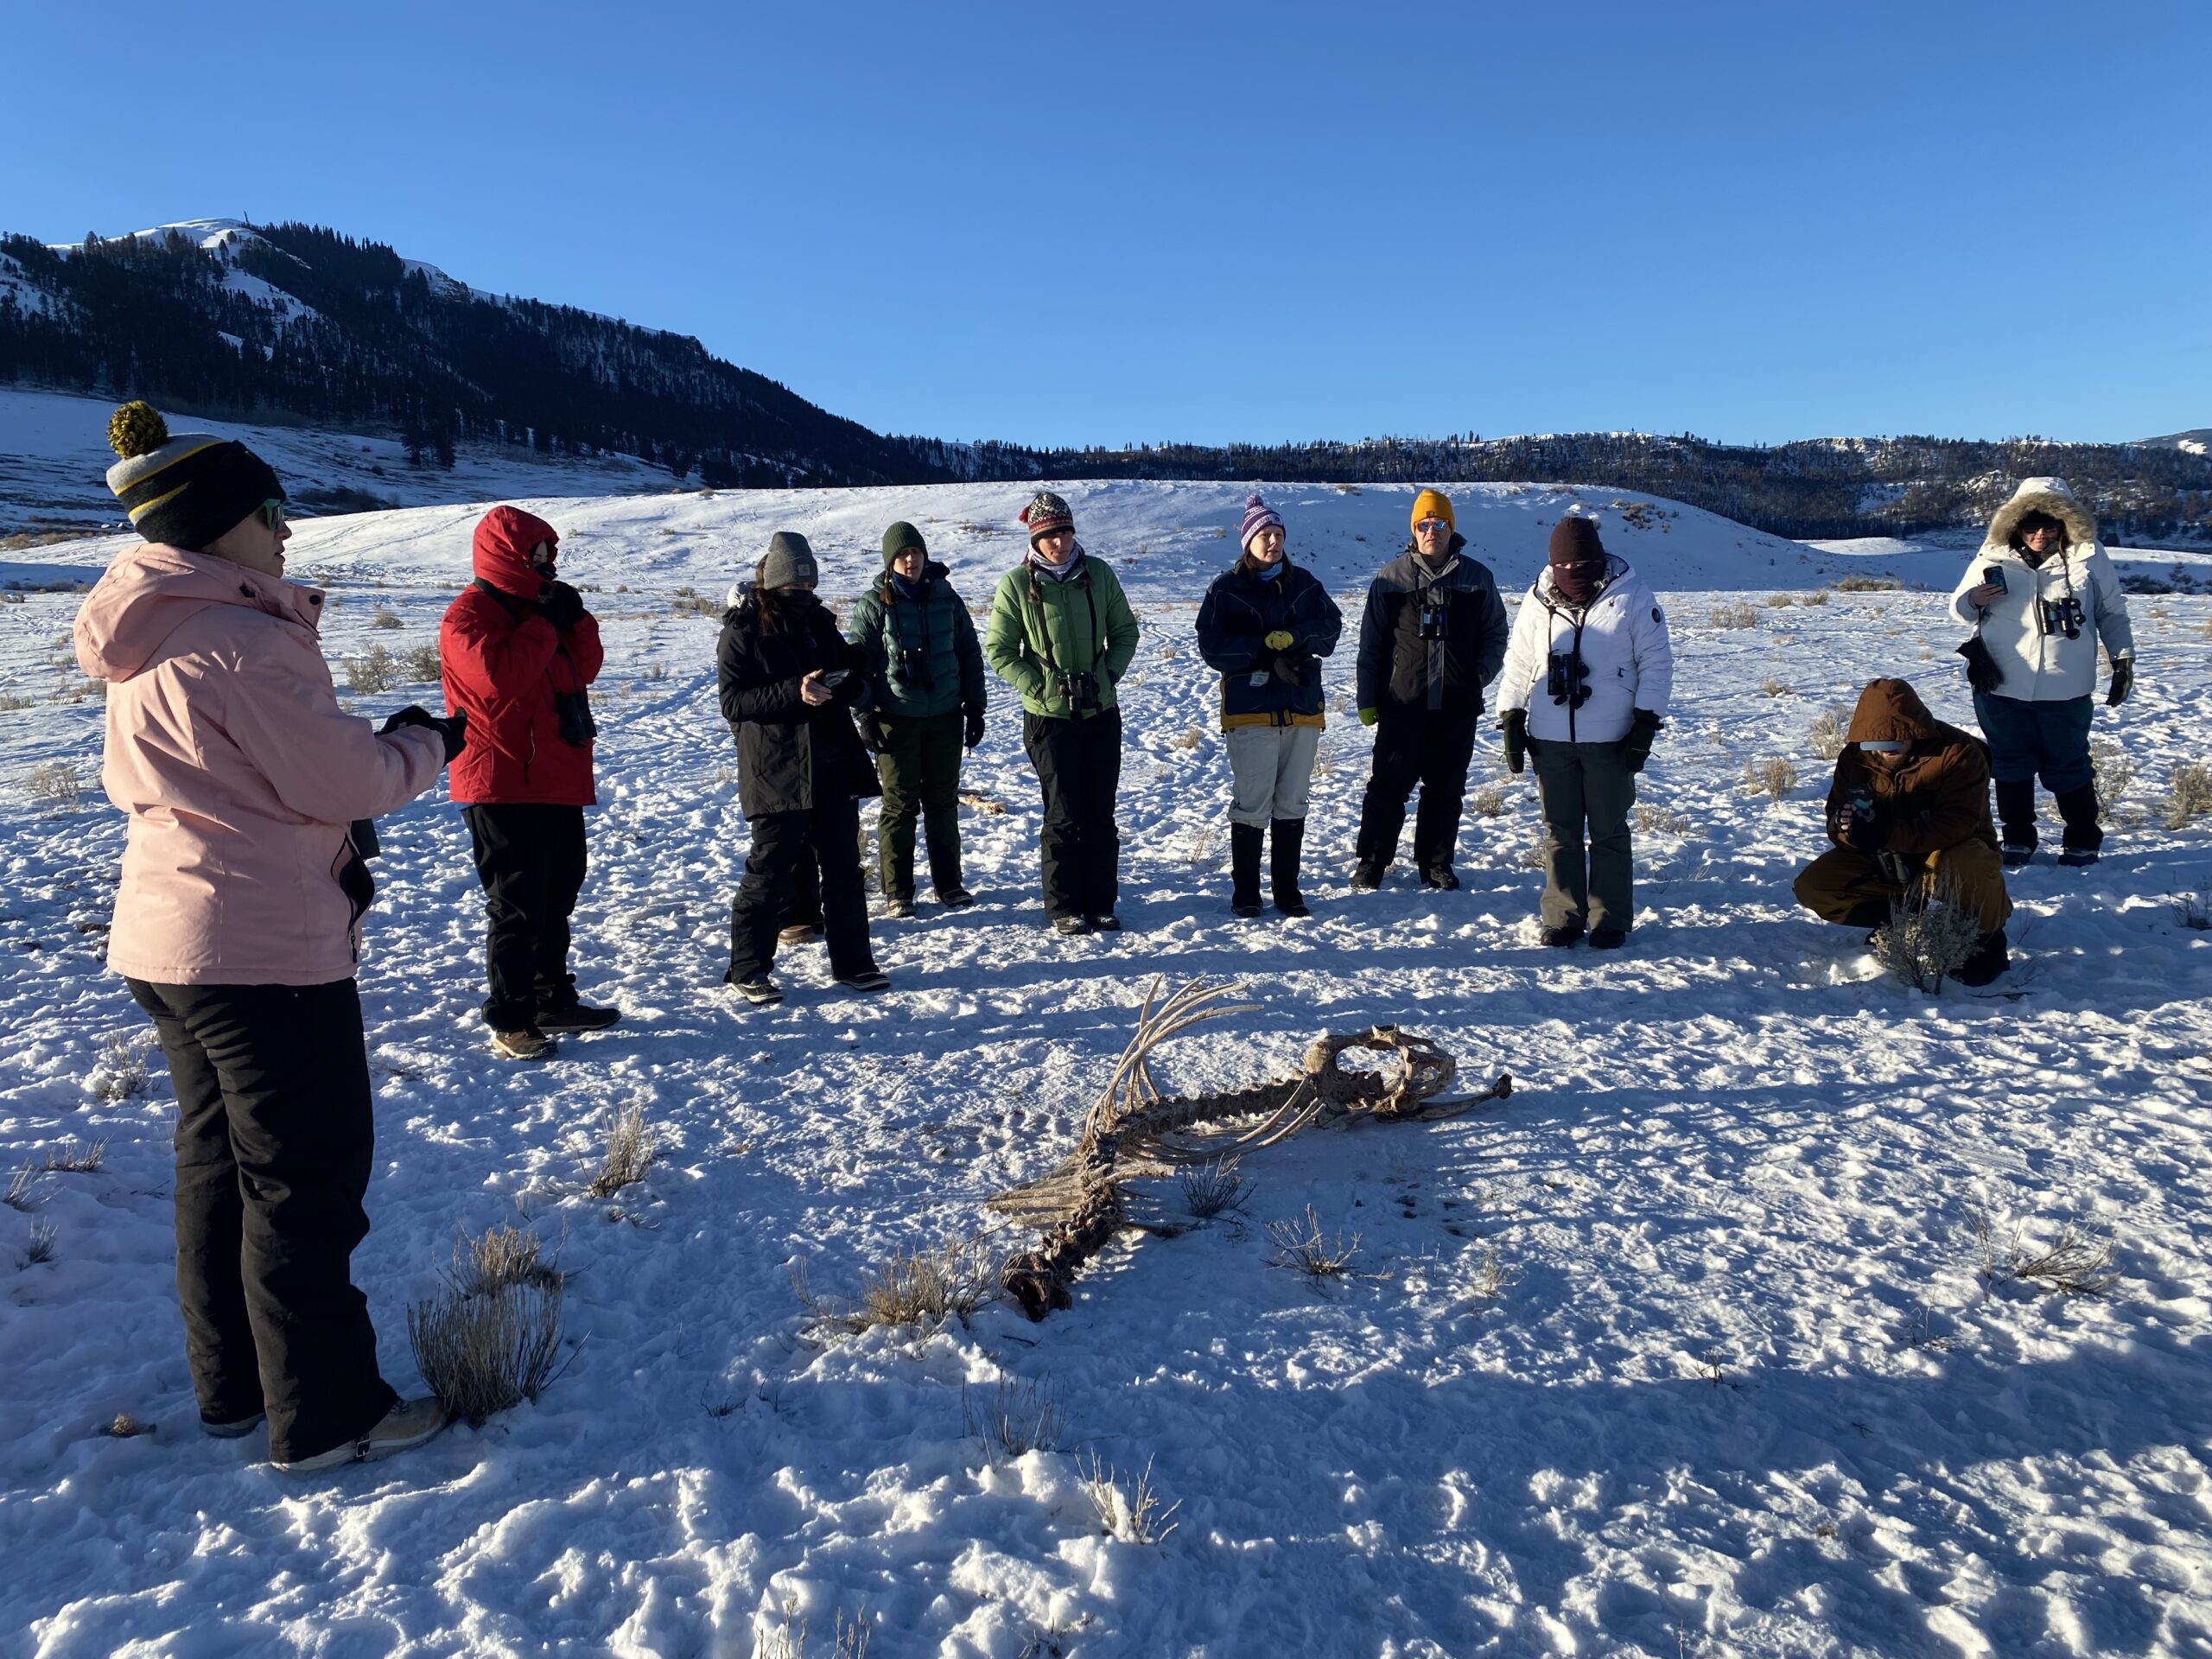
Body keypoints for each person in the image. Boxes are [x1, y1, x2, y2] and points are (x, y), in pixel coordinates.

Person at [75, 400, 459, 1471]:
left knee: (217, 1172)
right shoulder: (240, 639)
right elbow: (345, 782)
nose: (288, 530)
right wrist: (422, 742)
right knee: (304, 1181)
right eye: (272, 510)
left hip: (168, 939)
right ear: (220, 523)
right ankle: (329, 1414)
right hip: (263, 948)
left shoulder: (147, 633)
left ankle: (236, 1390)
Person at [439, 506, 617, 1060]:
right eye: (534, 555)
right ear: (506, 556)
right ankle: (511, 1017)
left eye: (548, 554)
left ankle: (550, 999)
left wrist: (576, 617)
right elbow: (501, 679)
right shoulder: (468, 617)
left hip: (557, 776)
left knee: (558, 896)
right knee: (516, 905)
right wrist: (543, 621)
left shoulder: (542, 612)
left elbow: (585, 668)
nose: (545, 564)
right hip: (500, 780)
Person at [718, 532, 888, 1004]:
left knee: (843, 869)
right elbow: (733, 701)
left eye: (809, 586)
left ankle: (854, 963)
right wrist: (795, 691)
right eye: (794, 588)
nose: (803, 595)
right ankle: (748, 968)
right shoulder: (743, 628)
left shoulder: (819, 622)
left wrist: (851, 680)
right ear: (773, 584)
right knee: (769, 869)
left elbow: (846, 668)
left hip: (831, 762)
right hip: (776, 767)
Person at [1495, 513, 1674, 948]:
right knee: (1560, 829)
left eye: (1582, 565)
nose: (1573, 574)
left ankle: (1609, 918)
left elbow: (1656, 663)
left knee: (1609, 830)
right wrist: (1511, 716)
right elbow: (1519, 663)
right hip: (1550, 736)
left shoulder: (1632, 597)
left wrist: (1645, 724)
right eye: (1565, 566)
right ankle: (1563, 915)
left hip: (1611, 738)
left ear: (1598, 559)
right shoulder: (1538, 601)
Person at [1948, 477, 2135, 868]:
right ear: (2015, 524)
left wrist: (2122, 659)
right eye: (2031, 525)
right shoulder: (1992, 557)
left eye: (2050, 525)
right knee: (2010, 762)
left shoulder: (2088, 556)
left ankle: (2082, 838)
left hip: (2066, 684)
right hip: (1999, 682)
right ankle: (2017, 838)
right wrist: (1973, 599)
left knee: (2068, 762)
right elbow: (1959, 609)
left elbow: (2111, 612)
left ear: (2065, 523)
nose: (2040, 533)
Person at [985, 490, 1141, 934]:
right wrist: (1038, 684)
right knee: (1063, 812)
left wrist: (1107, 675)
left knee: (1100, 812)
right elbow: (999, 649)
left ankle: (1101, 902)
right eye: (1050, 535)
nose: (1059, 542)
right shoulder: (1016, 585)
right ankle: (1064, 907)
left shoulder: (1098, 574)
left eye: (1065, 532)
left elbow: (1125, 631)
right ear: (1036, 539)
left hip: (1100, 712)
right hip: (1048, 718)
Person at [1793, 677, 2011, 986]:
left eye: (1894, 745)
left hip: (1949, 849)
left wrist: (1886, 833)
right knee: (1815, 886)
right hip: (1884, 854)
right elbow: (1835, 814)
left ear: (1916, 733)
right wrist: (1846, 830)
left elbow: (1958, 823)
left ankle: (1986, 940)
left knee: (1970, 863)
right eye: (1875, 745)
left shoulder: (1959, 752)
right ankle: (1901, 920)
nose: (1885, 752)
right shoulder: (1854, 756)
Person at [1351, 488, 1510, 889]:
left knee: (1445, 789)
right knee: (1387, 787)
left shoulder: (1478, 578)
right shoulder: (1390, 579)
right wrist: (1368, 698)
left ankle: (1436, 863)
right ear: (1414, 530)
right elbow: (1371, 645)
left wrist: (1479, 675)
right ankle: (1372, 862)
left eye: (1439, 523)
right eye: (1424, 524)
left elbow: (1496, 633)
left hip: (1457, 705)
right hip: (1402, 703)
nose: (1431, 531)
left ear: (1451, 528)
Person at [1194, 493, 1344, 917]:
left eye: (1278, 534)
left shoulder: (1306, 584)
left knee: (1293, 800)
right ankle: (1246, 892)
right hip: (1251, 710)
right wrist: (1262, 648)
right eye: (1264, 534)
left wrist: (1295, 640)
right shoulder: (1225, 590)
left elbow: (1330, 628)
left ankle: (1287, 890)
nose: (1273, 542)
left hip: (1301, 706)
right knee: (1252, 800)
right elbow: (1212, 646)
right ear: (1248, 541)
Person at [848, 521, 987, 917]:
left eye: (916, 553)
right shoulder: (875, 603)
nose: (911, 560)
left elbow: (968, 653)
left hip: (945, 716)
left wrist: (975, 708)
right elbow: (858, 662)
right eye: (902, 555)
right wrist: (865, 714)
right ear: (890, 561)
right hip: (896, 718)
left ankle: (950, 884)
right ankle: (898, 891)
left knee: (943, 802)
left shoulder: (947, 597)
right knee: (899, 804)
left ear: (925, 556)